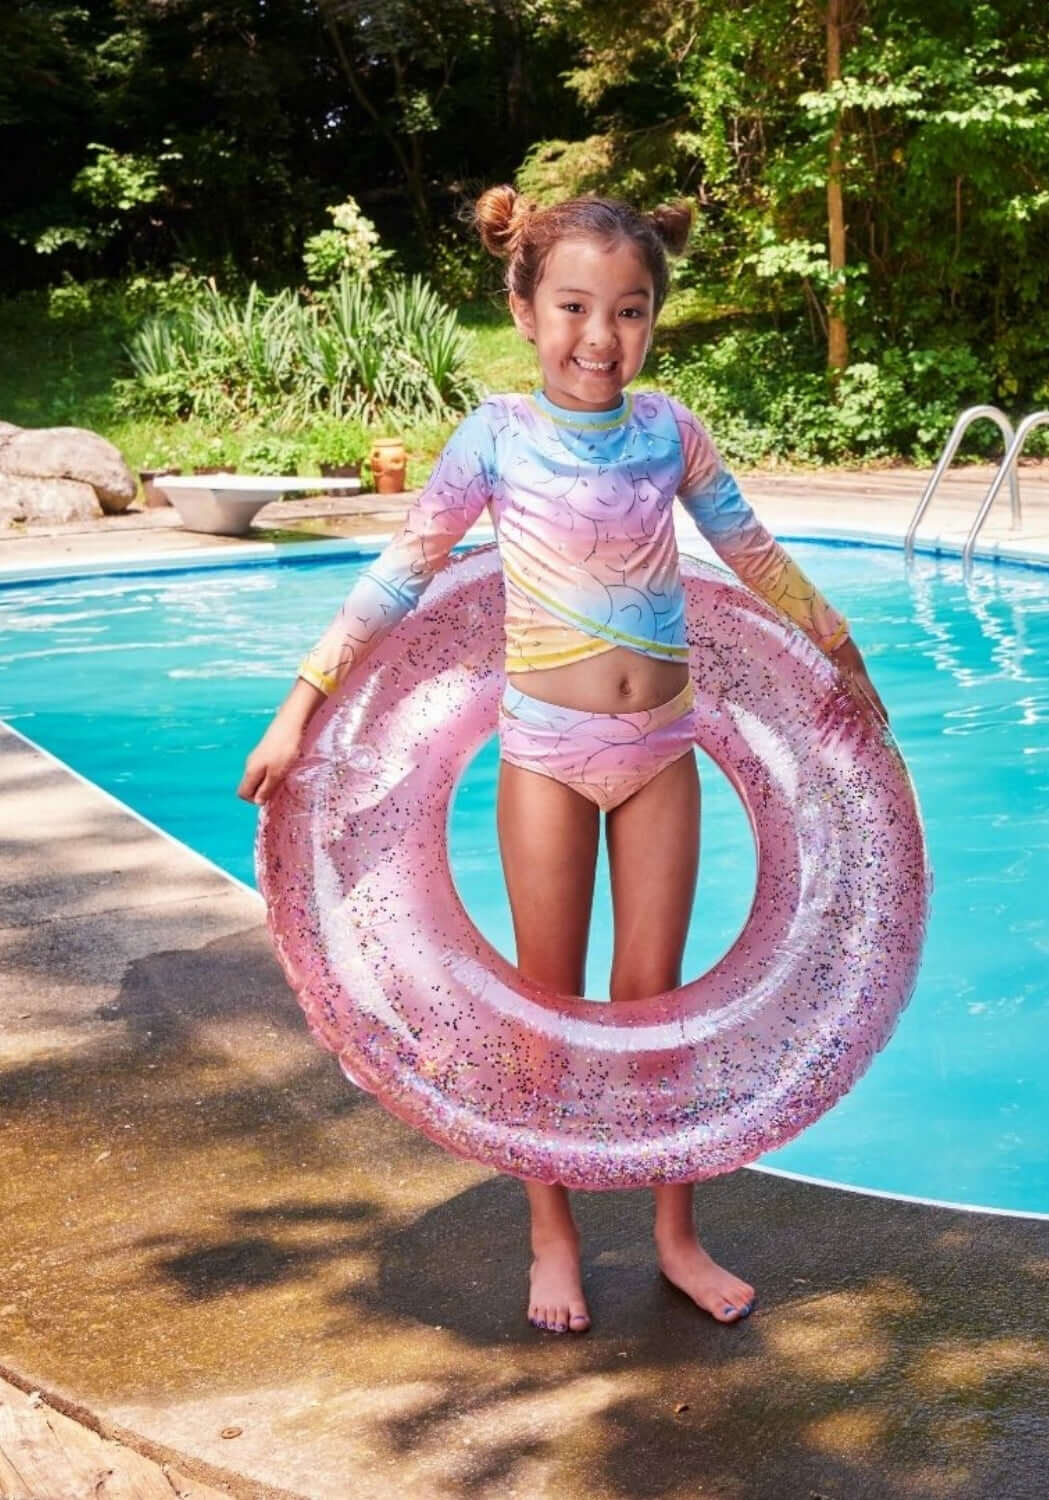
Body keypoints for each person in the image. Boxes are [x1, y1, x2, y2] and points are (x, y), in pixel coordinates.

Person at [238, 187, 886, 1337]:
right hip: (544, 752)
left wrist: (845, 657)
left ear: (653, 319)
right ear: (526, 306)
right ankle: (552, 1233)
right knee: (546, 1009)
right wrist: (302, 708)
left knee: (658, 1007)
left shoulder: (669, 433)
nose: (601, 337)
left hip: (663, 751)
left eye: (629, 311)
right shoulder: (496, 437)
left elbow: (755, 554)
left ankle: (677, 1235)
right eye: (576, 307)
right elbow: (401, 571)